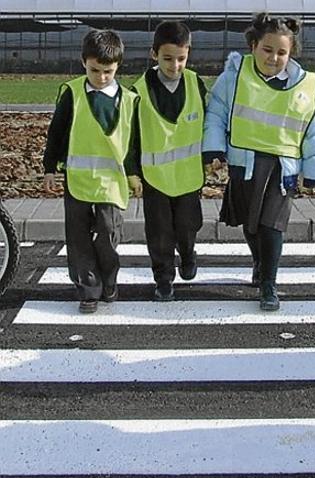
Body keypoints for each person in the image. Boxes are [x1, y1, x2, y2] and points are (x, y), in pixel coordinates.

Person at [204, 13, 315, 311]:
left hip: (282, 168)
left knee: (272, 225)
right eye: (267, 49)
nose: (274, 58)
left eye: (282, 52)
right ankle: (259, 262)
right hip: (243, 163)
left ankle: (269, 284)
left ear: (291, 54)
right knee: (250, 226)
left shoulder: (306, 85)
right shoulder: (234, 76)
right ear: (253, 46)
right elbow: (216, 114)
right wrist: (212, 150)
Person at [42, 29, 139, 314]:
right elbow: (56, 133)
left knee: (109, 233)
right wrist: (50, 168)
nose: (101, 77)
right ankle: (88, 289)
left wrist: (133, 174)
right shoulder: (71, 94)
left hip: (111, 182)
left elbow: (132, 142)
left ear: (118, 65)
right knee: (78, 238)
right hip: (78, 180)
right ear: (83, 62)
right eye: (95, 70)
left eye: (108, 71)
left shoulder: (130, 99)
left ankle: (109, 280)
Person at [131, 21, 208, 302]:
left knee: (188, 227)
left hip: (188, 177)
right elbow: (131, 137)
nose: (175, 65)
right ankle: (163, 278)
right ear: (154, 55)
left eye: (181, 58)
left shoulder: (195, 83)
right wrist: (132, 172)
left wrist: (211, 157)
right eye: (167, 59)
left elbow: (207, 123)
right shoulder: (138, 91)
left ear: (188, 54)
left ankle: (188, 253)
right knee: (160, 234)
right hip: (155, 179)